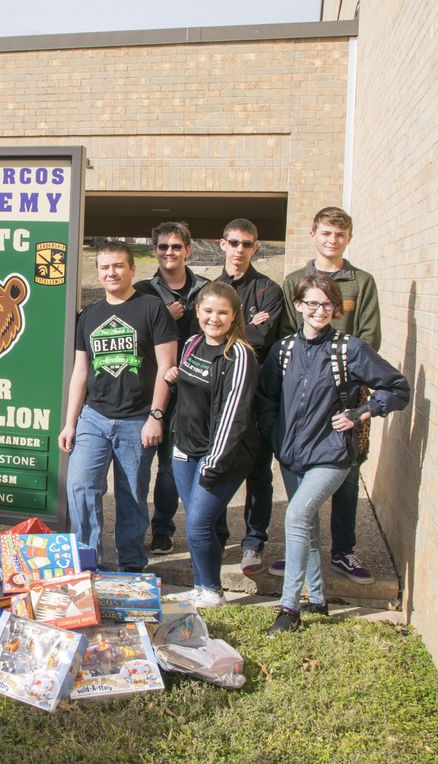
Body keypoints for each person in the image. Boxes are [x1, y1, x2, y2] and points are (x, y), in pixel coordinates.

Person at [259, 274, 408, 634]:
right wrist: (275, 436)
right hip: (292, 455)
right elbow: (267, 399)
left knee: (295, 517)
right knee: (306, 525)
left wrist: (361, 413)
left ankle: (289, 608)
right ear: (298, 306)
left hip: (332, 454)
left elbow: (398, 388)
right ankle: (319, 600)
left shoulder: (349, 349)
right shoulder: (284, 350)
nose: (319, 310)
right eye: (311, 303)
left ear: (336, 309)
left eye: (327, 304)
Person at [273, 206, 383, 584]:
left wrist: (345, 379)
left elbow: (369, 336)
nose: (331, 241)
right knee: (302, 475)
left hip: (346, 392)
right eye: (325, 233)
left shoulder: (362, 282)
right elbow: (288, 333)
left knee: (346, 473)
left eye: (339, 235)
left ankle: (343, 551)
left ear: (348, 239)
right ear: (314, 235)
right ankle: (300, 548)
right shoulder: (294, 281)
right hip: (303, 394)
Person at [58, 241, 177, 572]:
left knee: (132, 497)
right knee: (80, 487)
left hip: (136, 420)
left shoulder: (152, 309)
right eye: (105, 267)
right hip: (93, 418)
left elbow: (167, 369)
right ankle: (87, 562)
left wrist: (156, 416)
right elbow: (80, 372)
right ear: (98, 272)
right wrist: (70, 422)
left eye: (118, 266)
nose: (111, 272)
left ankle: (131, 566)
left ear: (132, 269)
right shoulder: (90, 315)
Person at [163, 282, 260, 608]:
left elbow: (235, 411)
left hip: (220, 456)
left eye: (222, 312)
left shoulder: (240, 354)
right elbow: (191, 393)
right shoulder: (191, 343)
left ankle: (213, 591)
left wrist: (213, 460)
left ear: (234, 317)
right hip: (184, 450)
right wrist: (175, 376)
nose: (213, 318)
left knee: (199, 523)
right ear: (198, 311)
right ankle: (201, 586)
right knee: (197, 523)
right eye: (208, 311)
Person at [134, 221, 209, 555]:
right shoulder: (142, 292)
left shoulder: (206, 290)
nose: (169, 252)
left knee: (170, 468)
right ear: (154, 251)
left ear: (188, 250)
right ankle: (132, 530)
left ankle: (163, 528)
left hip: (190, 395)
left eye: (176, 247)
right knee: (135, 467)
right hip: (146, 391)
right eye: (163, 247)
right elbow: (130, 339)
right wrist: (163, 315)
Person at [214, 218, 283, 576]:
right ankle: (218, 536)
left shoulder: (268, 289)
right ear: (222, 244)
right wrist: (250, 326)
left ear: (255, 247)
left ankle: (254, 543)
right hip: (217, 398)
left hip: (256, 401)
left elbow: (262, 340)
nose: (240, 249)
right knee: (217, 470)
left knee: (259, 474)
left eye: (248, 244)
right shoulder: (209, 288)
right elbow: (207, 337)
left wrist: (231, 331)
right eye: (234, 242)